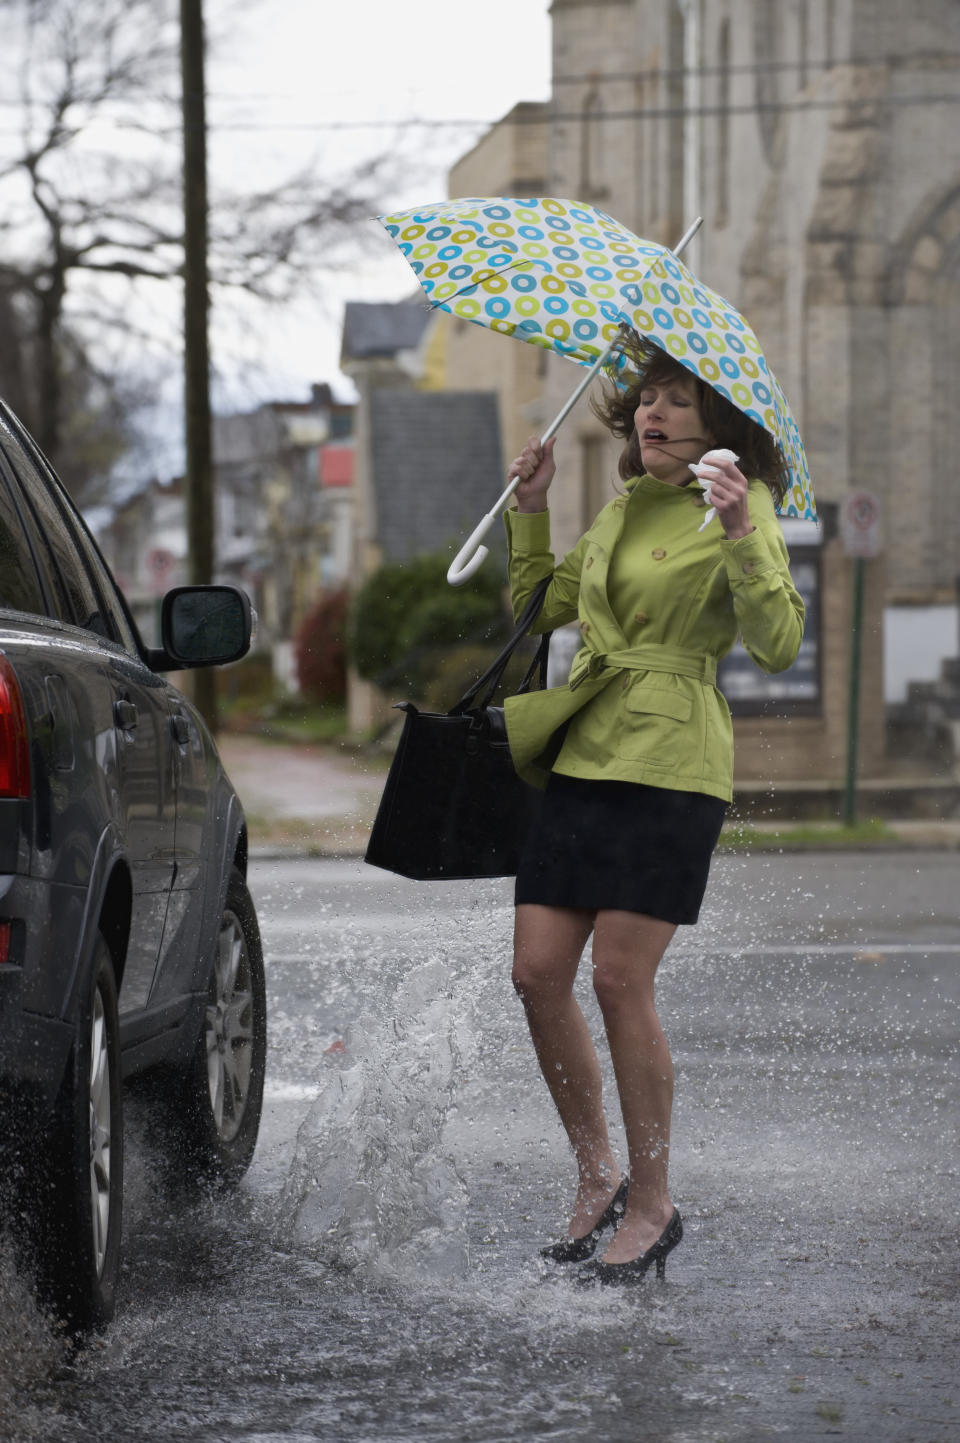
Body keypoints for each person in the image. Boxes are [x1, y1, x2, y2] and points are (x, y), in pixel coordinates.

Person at [502, 336, 805, 1286]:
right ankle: (597, 1170)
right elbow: (542, 608)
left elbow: (780, 640)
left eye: (677, 400)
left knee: (620, 979)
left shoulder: (739, 502)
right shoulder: (624, 503)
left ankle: (653, 1199)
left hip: (673, 761)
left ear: (718, 423)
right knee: (536, 971)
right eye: (646, 398)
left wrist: (743, 537)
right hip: (586, 748)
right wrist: (532, 510)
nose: (654, 413)